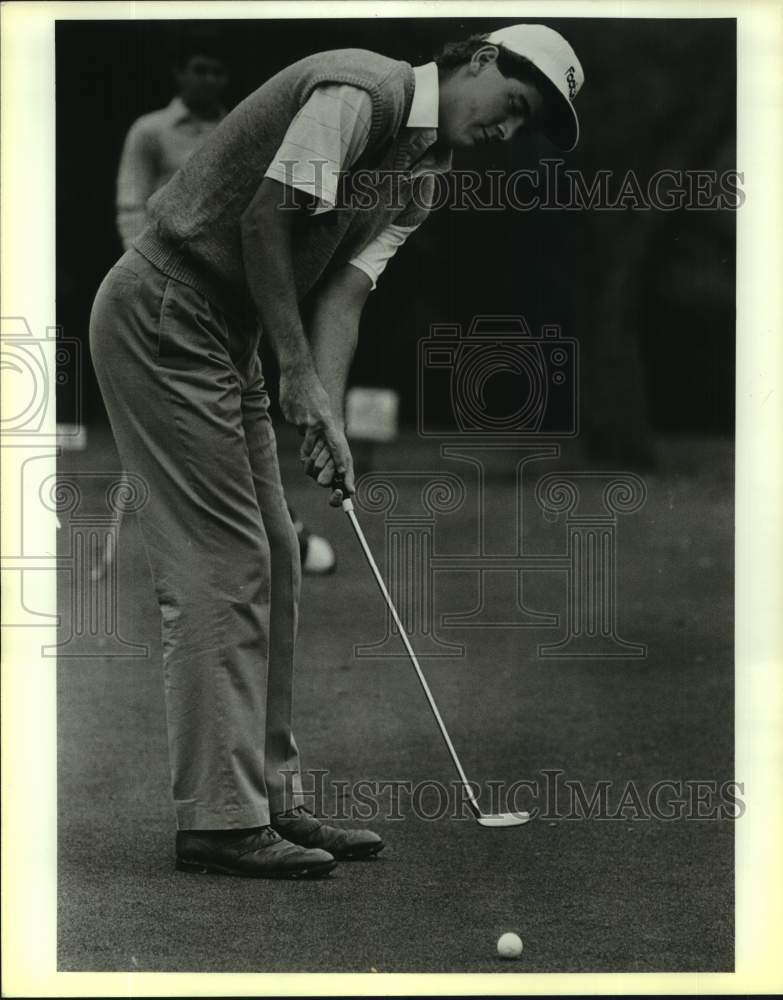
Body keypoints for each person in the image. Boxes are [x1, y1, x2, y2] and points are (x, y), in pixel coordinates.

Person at [90, 23, 584, 879]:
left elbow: (345, 298)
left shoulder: (426, 175)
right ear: (477, 60)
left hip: (228, 333)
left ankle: (267, 800)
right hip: (164, 309)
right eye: (513, 103)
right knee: (225, 562)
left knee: (277, 555)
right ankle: (218, 820)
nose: (508, 131)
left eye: (527, 125)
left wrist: (326, 416)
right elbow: (261, 224)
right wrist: (294, 377)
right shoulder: (360, 94)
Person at [115, 28, 337, 575]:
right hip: (166, 289)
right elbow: (130, 210)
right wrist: (154, 285)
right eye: (200, 69)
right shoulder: (150, 132)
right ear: (180, 72)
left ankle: (275, 531)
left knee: (238, 424)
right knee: (195, 429)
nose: (209, 80)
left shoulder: (242, 121)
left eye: (218, 71)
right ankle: (245, 539)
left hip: (235, 298)